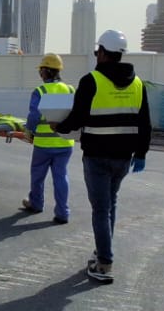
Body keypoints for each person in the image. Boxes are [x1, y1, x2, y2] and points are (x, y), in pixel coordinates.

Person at [55, 29, 151, 284]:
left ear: (104, 53)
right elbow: (145, 123)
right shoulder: (138, 83)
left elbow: (77, 117)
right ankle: (101, 251)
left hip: (97, 156)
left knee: (100, 209)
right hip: (123, 158)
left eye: (98, 51)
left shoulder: (92, 80)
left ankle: (105, 263)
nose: (96, 55)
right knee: (110, 204)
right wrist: (141, 153)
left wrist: (58, 127)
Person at [20, 53, 73, 224]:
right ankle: (63, 212)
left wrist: (29, 132)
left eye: (41, 70)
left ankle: (36, 203)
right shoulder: (70, 89)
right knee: (61, 177)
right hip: (65, 143)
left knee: (37, 176)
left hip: (43, 144)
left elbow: (34, 115)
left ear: (46, 71)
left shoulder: (41, 91)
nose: (40, 74)